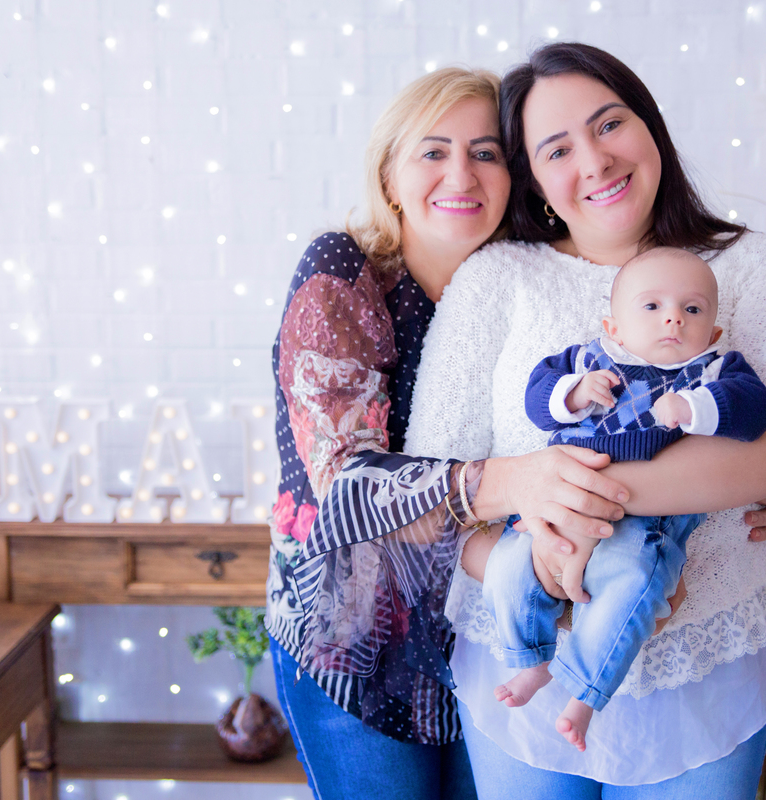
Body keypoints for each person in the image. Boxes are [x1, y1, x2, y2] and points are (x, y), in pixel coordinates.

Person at [403, 42, 766, 798]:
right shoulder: (497, 281)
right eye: (557, 149)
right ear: (534, 178)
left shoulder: (758, 268)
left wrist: (575, 499)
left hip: (699, 667)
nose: (595, 161)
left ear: (650, 126)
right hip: (520, 677)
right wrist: (538, 557)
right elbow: (426, 492)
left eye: (609, 124)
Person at [267, 66, 635, 800]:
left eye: (486, 152)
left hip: (489, 634)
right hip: (356, 645)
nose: (461, 174)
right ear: (390, 176)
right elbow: (347, 484)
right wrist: (514, 483)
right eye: (433, 151)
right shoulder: (343, 271)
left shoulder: (530, 280)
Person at [484, 247, 766, 752]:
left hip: (650, 521)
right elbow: (537, 398)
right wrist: (574, 393)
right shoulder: (588, 359)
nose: (673, 318)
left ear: (713, 333)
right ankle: (529, 658)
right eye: (652, 306)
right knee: (508, 565)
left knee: (632, 582)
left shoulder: (713, 370)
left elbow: (756, 412)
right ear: (612, 327)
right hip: (561, 502)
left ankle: (586, 692)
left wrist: (695, 408)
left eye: (692, 309)